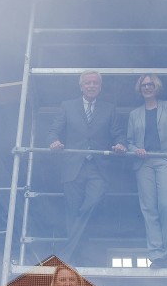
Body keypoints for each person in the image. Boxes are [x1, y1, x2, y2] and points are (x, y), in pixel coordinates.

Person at [47, 70, 127, 264]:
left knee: (90, 204)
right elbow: (54, 130)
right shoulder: (67, 106)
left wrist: (121, 144)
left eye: (95, 83)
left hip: (98, 168)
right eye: (88, 83)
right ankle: (78, 257)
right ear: (81, 86)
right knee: (72, 212)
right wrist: (54, 141)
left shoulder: (110, 108)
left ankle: (66, 255)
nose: (91, 86)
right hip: (73, 166)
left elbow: (118, 133)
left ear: (100, 87)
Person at [126, 75, 167, 268]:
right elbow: (129, 142)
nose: (147, 87)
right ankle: (158, 256)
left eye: (150, 84)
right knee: (149, 209)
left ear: (157, 87)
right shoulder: (134, 114)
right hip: (143, 163)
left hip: (165, 160)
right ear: (139, 89)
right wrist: (135, 149)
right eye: (143, 85)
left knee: (165, 205)